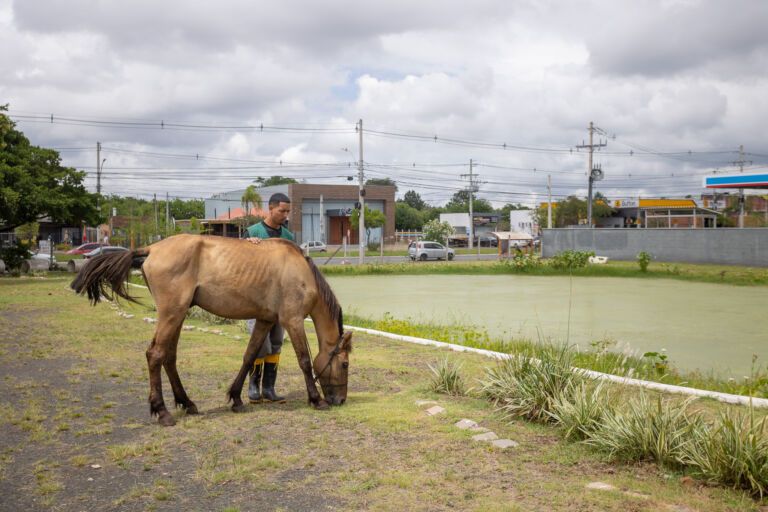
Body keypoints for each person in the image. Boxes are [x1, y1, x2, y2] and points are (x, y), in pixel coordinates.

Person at [244, 192, 294, 403]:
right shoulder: (253, 232)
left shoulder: (288, 237)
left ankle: (269, 388)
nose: (285, 215)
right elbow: (240, 264)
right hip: (256, 300)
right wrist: (247, 245)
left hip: (279, 301)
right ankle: (253, 386)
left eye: (288, 211)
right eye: (282, 211)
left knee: (275, 342)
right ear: (270, 208)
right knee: (259, 344)